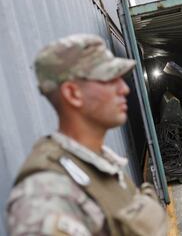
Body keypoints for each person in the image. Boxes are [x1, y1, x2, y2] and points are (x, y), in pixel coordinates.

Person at [6, 34, 168, 236]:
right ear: (73, 94)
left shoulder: (101, 166)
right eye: (109, 79)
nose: (123, 88)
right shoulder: (45, 197)